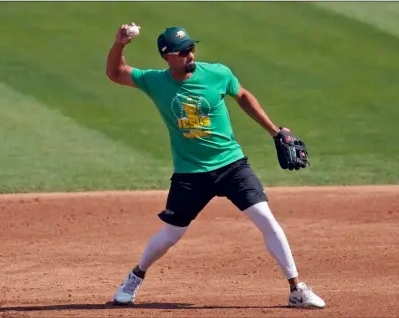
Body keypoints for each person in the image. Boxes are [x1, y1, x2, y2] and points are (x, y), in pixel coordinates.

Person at [105, 23, 326, 309]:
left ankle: (298, 289)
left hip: (232, 165)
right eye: (182, 51)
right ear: (167, 56)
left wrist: (274, 131)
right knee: (171, 235)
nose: (190, 54)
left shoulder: (218, 73)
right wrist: (120, 44)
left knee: (267, 220)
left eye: (191, 48)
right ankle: (135, 278)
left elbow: (243, 95)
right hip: (190, 173)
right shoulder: (154, 81)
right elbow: (115, 73)